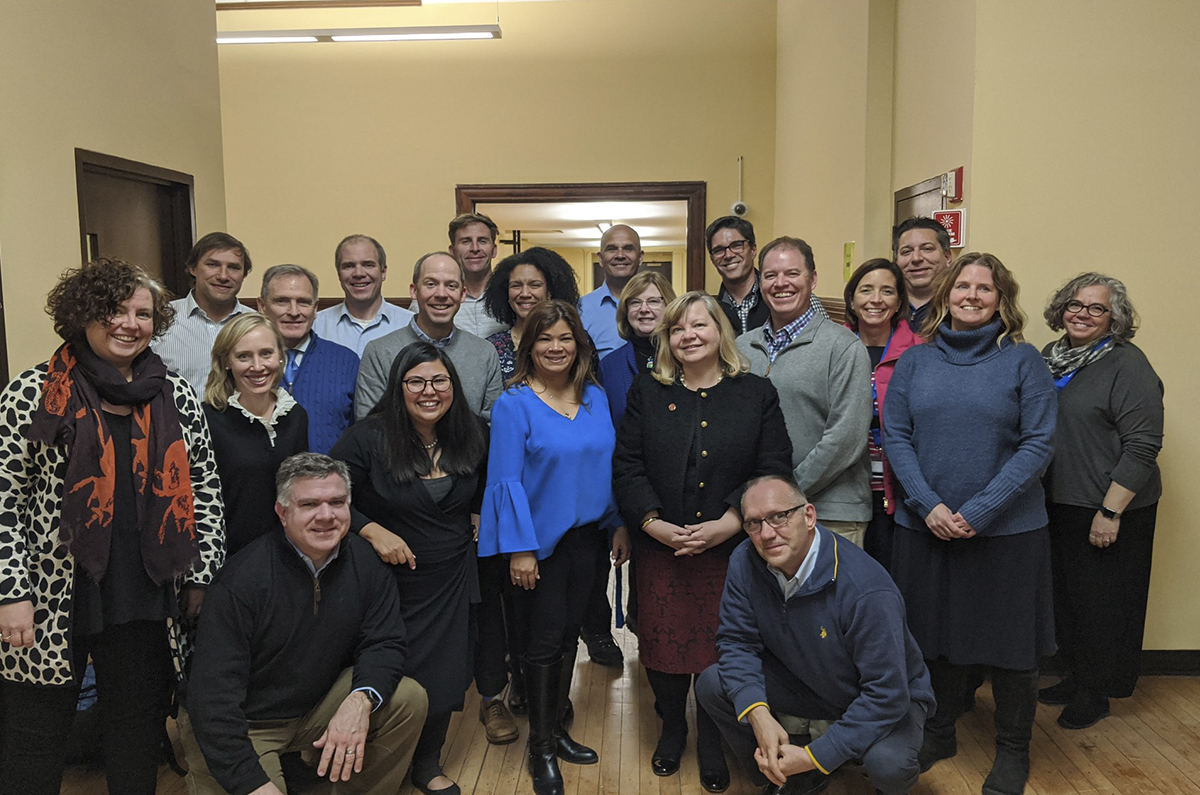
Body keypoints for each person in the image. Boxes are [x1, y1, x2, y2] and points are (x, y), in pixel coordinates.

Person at [0, 260, 224, 795]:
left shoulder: (173, 393)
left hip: (146, 588)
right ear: (83, 316)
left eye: (142, 313)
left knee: (135, 732)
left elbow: (205, 488)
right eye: (113, 310)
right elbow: (5, 499)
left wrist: (201, 573)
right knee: (34, 739)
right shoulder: (34, 393)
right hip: (51, 595)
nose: (129, 323)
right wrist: (11, 593)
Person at [882, 253, 1057, 795]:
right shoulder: (915, 362)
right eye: (963, 286)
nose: (973, 295)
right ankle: (938, 732)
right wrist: (928, 504)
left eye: (986, 288)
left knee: (1011, 651)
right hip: (925, 525)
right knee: (932, 640)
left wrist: (979, 511)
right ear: (944, 295)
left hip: (1008, 532)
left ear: (1002, 300)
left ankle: (1012, 751)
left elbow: (1039, 443)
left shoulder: (1024, 362)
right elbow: (897, 436)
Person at [614, 292, 792, 792]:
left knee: (723, 651)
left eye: (699, 325)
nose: (688, 335)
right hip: (660, 548)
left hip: (731, 551)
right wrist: (651, 524)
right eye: (677, 329)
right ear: (666, 339)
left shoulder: (756, 393)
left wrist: (732, 522)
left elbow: (774, 465)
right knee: (663, 648)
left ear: (720, 332)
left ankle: (712, 735)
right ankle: (673, 728)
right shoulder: (647, 392)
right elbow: (627, 466)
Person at [180, 453, 429, 795]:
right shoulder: (241, 582)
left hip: (314, 708)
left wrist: (359, 701)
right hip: (242, 723)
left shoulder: (367, 563)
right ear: (283, 513)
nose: (326, 516)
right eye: (310, 504)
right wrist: (252, 784)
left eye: (337, 502)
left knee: (407, 698)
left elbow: (384, 642)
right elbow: (212, 701)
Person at [696, 475, 934, 795]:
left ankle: (893, 754)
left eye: (779, 516)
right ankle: (784, 776)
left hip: (883, 697)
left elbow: (886, 695)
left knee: (888, 765)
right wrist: (758, 714)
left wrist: (814, 757)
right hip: (806, 682)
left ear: (809, 515)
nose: (767, 533)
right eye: (754, 523)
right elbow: (737, 642)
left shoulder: (867, 589)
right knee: (713, 683)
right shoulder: (744, 560)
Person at [478, 300, 626, 795]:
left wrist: (617, 523)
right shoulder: (514, 403)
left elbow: (605, 469)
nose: (555, 348)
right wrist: (519, 549)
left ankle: (556, 730)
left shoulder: (595, 398)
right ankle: (539, 746)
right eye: (545, 339)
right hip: (537, 547)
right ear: (529, 347)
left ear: (579, 344)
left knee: (568, 640)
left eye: (565, 338)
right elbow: (504, 481)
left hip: (589, 540)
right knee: (540, 645)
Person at [330, 342, 488, 795]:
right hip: (387, 578)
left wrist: (475, 512)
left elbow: (490, 481)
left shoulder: (473, 431)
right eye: (416, 382)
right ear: (398, 388)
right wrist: (370, 530)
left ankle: (426, 762)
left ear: (453, 386)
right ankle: (376, 757)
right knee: (392, 665)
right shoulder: (367, 437)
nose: (429, 391)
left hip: (452, 574)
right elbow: (328, 494)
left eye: (439, 380)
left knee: (445, 673)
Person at [1038, 273, 1163, 729]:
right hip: (1059, 501)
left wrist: (1110, 511)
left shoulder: (1129, 366)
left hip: (1110, 505)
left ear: (1115, 318)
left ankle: (1097, 692)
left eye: (1097, 308)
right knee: (1068, 600)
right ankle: (1073, 676)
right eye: (1075, 304)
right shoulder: (1051, 357)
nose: (1083, 314)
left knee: (1104, 603)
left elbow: (1143, 445)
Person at [737, 237, 873, 548]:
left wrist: (783, 494)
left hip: (831, 512)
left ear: (812, 279)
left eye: (792, 274)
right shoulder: (742, 347)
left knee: (827, 596)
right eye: (770, 275)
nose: (780, 283)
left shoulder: (843, 347)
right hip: (762, 516)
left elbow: (846, 438)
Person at [203, 312, 309, 557]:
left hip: (288, 556)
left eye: (266, 353)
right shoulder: (208, 419)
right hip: (229, 558)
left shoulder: (295, 416)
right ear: (227, 362)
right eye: (243, 356)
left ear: (280, 357)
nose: (258, 366)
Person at [357, 251, 503, 420]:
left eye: (451, 286)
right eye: (431, 284)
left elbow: (493, 424)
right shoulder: (379, 352)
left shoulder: (484, 353)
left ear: (462, 294)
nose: (441, 294)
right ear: (414, 291)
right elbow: (368, 425)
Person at [842, 258, 920, 569]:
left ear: (900, 301)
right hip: (847, 492)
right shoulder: (834, 349)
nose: (876, 300)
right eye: (866, 290)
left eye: (887, 291)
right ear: (851, 299)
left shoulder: (921, 352)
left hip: (904, 494)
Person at [259, 264, 359, 454]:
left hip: (329, 480)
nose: (294, 311)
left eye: (303, 302)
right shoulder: (247, 364)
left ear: (315, 309)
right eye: (282, 301)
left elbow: (360, 432)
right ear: (262, 306)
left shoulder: (346, 361)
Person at [154, 231, 256, 394]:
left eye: (233, 267)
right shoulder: (160, 319)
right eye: (213, 265)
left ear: (243, 275)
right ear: (192, 268)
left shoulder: (258, 325)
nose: (223, 276)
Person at [706, 216, 826, 337]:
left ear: (753, 249)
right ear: (712, 259)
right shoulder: (711, 309)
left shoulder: (793, 297)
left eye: (737, 245)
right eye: (719, 250)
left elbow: (826, 341)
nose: (728, 255)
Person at [483, 247, 582, 381]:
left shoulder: (576, 341)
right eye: (516, 285)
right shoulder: (491, 348)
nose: (524, 294)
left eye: (534, 285)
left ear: (550, 292)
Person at [312, 234, 415, 357]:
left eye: (368, 265)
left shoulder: (411, 324)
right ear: (339, 274)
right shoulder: (315, 325)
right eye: (349, 266)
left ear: (383, 272)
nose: (358, 273)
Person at [597, 270, 676, 427]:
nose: (644, 309)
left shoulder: (684, 358)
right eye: (635, 302)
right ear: (626, 311)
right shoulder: (609, 366)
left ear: (669, 305)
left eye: (653, 301)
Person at [580, 224, 643, 359]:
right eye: (612, 249)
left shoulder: (662, 307)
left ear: (640, 257)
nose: (620, 255)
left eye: (628, 248)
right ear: (600, 258)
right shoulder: (581, 309)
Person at [448, 212, 508, 338]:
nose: (475, 248)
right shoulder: (435, 299)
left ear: (494, 250)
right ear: (452, 251)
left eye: (482, 241)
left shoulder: (512, 295)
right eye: (466, 241)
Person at [892, 217, 952, 332]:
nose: (916, 258)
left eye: (927, 249)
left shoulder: (960, 310)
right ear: (896, 261)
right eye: (906, 251)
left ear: (947, 257)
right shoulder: (883, 309)